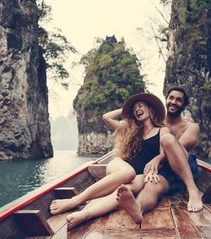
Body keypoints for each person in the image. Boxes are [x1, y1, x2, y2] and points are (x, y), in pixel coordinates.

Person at [49, 92, 170, 229]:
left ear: (150, 108)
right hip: (120, 166)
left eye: (140, 106)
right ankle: (74, 201)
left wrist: (156, 160)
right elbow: (106, 117)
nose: (137, 110)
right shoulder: (130, 130)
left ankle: (86, 214)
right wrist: (127, 110)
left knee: (124, 190)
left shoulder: (163, 131)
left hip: (141, 174)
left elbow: (164, 154)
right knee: (128, 173)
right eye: (134, 109)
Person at [116, 86, 203, 223]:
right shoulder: (154, 124)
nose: (173, 102)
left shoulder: (191, 127)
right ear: (166, 100)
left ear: (184, 105)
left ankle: (193, 191)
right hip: (165, 171)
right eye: (171, 98)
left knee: (167, 139)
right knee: (151, 184)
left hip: (184, 166)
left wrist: (157, 159)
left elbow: (175, 147)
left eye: (178, 100)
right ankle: (138, 207)